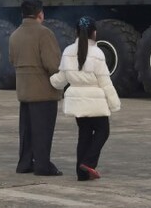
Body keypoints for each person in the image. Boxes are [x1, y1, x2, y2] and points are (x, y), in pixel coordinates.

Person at [50, 16, 121, 181]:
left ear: (76, 32)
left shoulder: (68, 51)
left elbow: (61, 78)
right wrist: (114, 104)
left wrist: (50, 81)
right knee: (103, 131)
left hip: (77, 103)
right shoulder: (97, 53)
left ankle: (81, 174)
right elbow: (105, 82)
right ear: (94, 33)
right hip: (96, 103)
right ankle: (89, 163)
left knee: (84, 135)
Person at [8, 0, 64, 176]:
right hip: (43, 91)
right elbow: (52, 64)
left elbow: (12, 60)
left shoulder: (14, 35)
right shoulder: (44, 34)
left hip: (24, 90)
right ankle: (42, 165)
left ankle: (24, 163)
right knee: (42, 131)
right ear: (40, 13)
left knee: (26, 131)